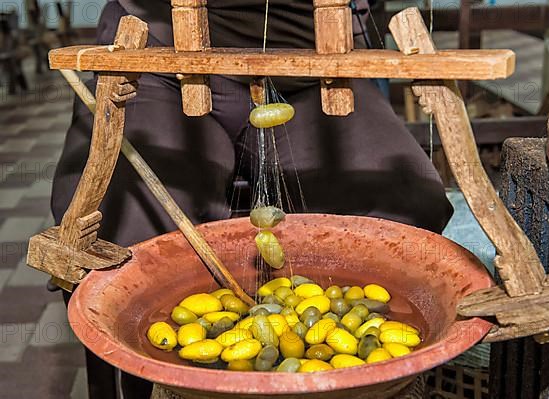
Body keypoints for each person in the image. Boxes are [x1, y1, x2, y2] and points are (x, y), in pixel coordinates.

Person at [51, 1, 453, 397]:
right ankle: (148, 385)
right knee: (125, 232)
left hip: (317, 72)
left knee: (406, 210)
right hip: (157, 57)